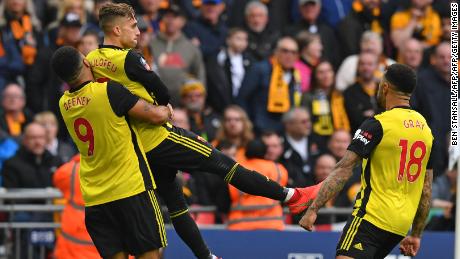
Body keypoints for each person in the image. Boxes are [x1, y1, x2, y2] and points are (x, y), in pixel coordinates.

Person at [87, 3, 321, 258]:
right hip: (159, 135)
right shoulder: (129, 58)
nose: (138, 33)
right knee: (224, 164)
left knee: (176, 205)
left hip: (135, 147)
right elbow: (162, 91)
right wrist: (161, 106)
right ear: (117, 29)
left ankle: (207, 256)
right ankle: (290, 196)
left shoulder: (92, 60)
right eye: (133, 27)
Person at [300, 63, 434, 258]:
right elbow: (426, 188)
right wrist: (416, 234)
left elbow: (343, 170)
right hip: (400, 225)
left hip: (372, 217)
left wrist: (313, 209)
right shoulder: (425, 130)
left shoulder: (378, 124)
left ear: (386, 87)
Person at [52, 46, 172, 259]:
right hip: (130, 188)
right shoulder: (108, 91)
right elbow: (156, 116)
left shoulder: (64, 104)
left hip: (96, 197)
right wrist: (166, 110)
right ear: (86, 62)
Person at [227, 139, 288, 231]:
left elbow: (224, 199)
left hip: (240, 226)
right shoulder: (278, 169)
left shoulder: (235, 170)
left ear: (246, 152)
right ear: (265, 152)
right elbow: (284, 195)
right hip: (273, 225)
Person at [53, 154, 100, 259]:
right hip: (110, 247)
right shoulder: (119, 170)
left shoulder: (71, 170)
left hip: (73, 249)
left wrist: (77, 159)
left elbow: (58, 178)